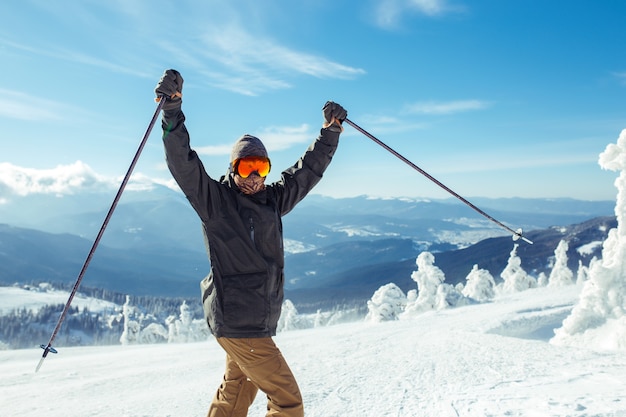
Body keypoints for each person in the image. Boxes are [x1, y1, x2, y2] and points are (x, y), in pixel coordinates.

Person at [155, 69, 347, 417]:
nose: (255, 176)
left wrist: (330, 133)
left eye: (262, 167)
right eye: (247, 168)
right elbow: (182, 163)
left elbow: (307, 172)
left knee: (237, 391)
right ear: (233, 169)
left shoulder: (272, 201)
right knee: (288, 401)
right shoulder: (214, 201)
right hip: (240, 324)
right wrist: (171, 113)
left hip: (249, 322)